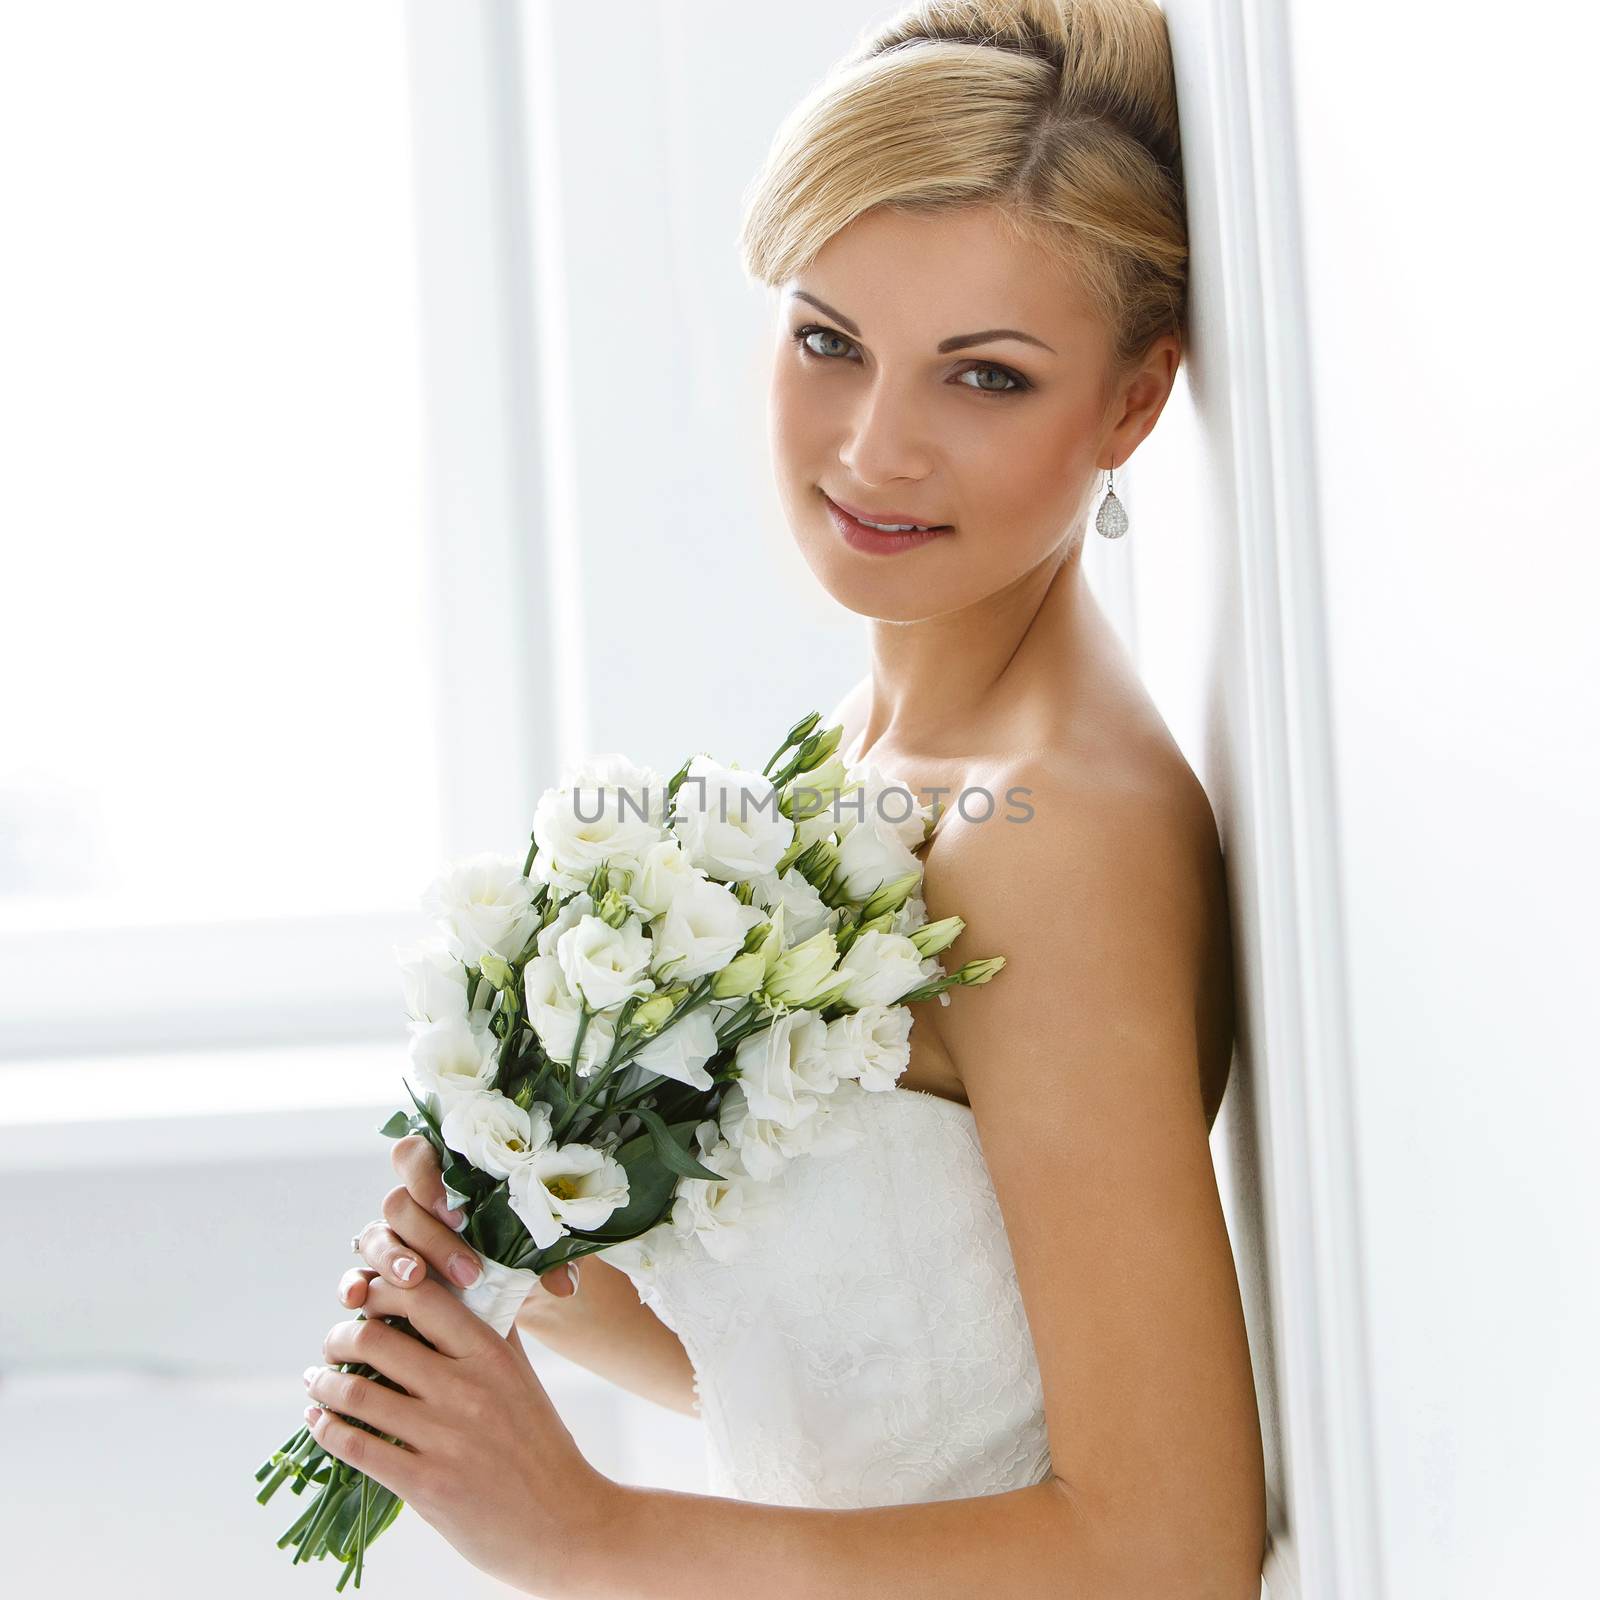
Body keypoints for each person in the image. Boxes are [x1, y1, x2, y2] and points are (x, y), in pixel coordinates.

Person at [313, 1, 1268, 1592]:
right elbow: (915, 1388)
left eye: (987, 377)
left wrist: (586, 1532)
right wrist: (523, 1265)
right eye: (830, 341)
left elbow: (1170, 1547)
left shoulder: (1053, 829)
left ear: (1133, 402)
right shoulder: (853, 766)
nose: (874, 447)